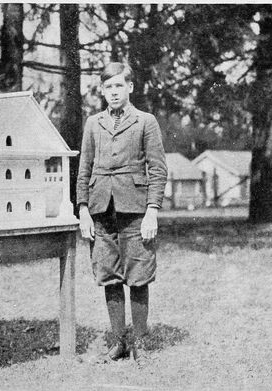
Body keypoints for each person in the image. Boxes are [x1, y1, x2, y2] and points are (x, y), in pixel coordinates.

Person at [76, 62, 167, 362]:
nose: (114, 92)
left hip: (135, 209)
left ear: (130, 87)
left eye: (119, 85)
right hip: (101, 210)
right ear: (102, 91)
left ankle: (139, 342)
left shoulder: (145, 122)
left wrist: (152, 210)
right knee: (109, 274)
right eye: (108, 87)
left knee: (138, 274)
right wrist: (83, 209)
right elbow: (84, 169)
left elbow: (157, 169)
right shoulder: (93, 124)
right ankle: (118, 342)